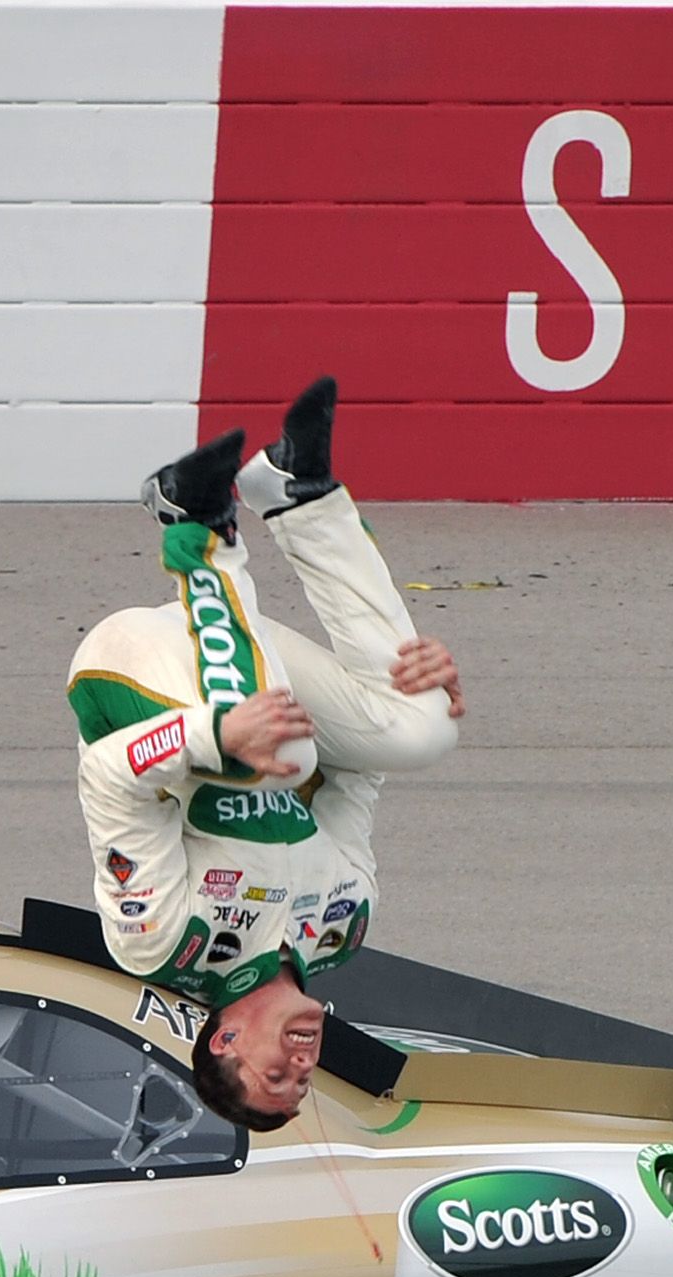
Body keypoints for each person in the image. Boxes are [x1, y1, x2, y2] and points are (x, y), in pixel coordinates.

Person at [68, 377, 466, 1131]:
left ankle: (199, 525)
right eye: (302, 1082)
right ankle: (298, 490)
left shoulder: (161, 945)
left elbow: (109, 773)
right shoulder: (342, 925)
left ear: (225, 1039)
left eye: (275, 1073)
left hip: (130, 672)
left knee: (266, 747)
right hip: (249, 663)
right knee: (423, 732)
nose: (303, 1065)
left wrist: (215, 739)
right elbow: (356, 774)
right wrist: (416, 686)